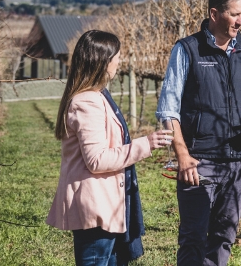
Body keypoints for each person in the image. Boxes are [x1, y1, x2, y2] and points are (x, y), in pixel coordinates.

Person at [156, 0, 241, 266]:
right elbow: (168, 109)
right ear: (214, 14)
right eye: (235, 15)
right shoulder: (187, 49)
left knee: (224, 236)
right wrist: (183, 156)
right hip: (199, 161)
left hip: (238, 161)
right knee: (193, 236)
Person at [47, 30, 172, 266]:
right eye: (116, 57)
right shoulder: (87, 101)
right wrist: (147, 144)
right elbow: (97, 160)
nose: (119, 62)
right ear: (103, 62)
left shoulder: (97, 96)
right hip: (95, 208)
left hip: (106, 204)